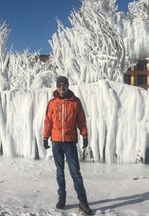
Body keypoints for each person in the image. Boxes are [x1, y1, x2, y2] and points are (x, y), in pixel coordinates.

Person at [43, 76, 92, 214]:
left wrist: (85, 135)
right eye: (59, 86)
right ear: (56, 87)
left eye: (64, 85)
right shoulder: (52, 103)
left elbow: (81, 121)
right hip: (57, 142)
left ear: (68, 86)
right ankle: (62, 197)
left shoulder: (75, 102)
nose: (61, 88)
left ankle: (82, 201)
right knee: (60, 172)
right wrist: (45, 137)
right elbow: (48, 121)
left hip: (70, 142)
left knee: (75, 172)